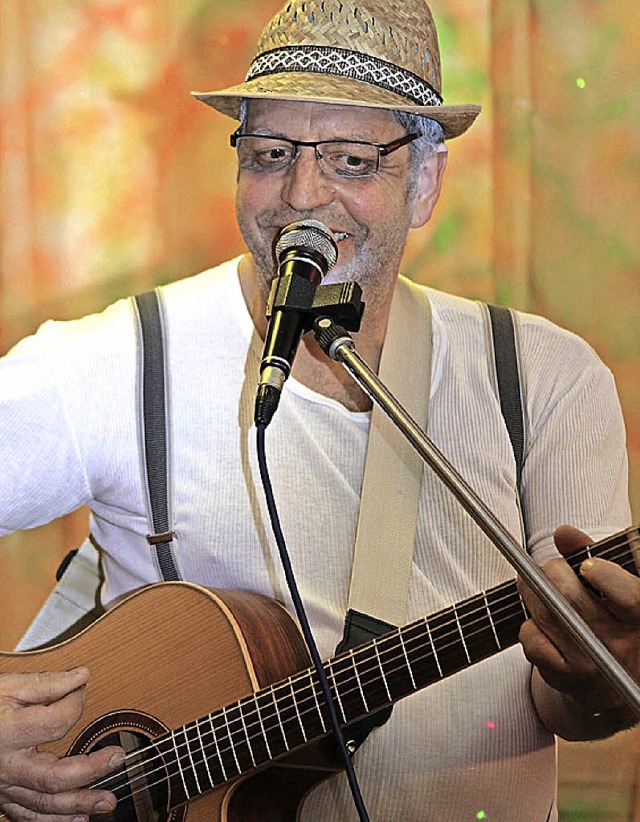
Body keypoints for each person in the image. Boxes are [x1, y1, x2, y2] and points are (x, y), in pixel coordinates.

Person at [0, 0, 638, 819]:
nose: (303, 194)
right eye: (270, 153)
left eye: (352, 160)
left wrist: (600, 677)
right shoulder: (124, 358)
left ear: (425, 181)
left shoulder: (543, 377)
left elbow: (582, 707)